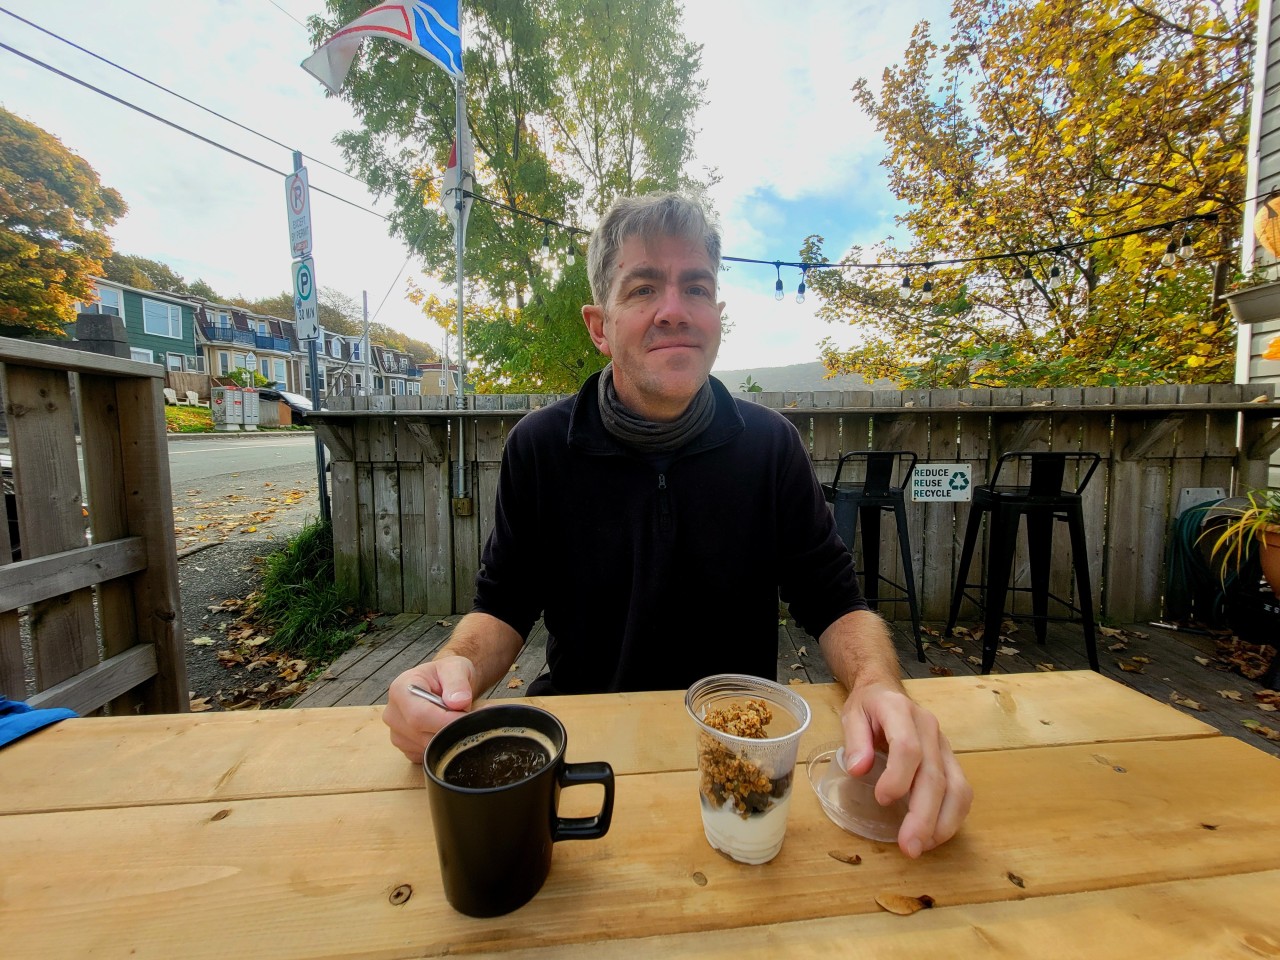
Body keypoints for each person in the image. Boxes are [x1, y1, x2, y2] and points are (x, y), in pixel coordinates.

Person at [383, 192, 972, 858]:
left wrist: (877, 685)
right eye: (642, 288)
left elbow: (836, 602)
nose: (674, 309)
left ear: (716, 315)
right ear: (599, 326)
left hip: (738, 768)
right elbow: (503, 606)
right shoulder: (539, 449)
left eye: (696, 286)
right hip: (579, 762)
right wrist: (449, 669)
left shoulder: (771, 446)